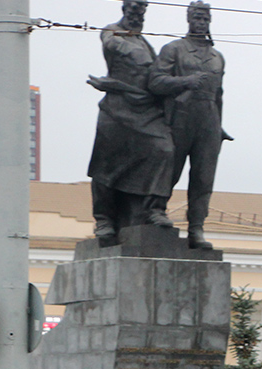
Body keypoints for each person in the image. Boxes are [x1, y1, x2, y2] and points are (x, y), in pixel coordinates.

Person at [87, 0, 176, 245]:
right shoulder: (112, 31)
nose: (138, 14)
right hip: (117, 108)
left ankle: (154, 209)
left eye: (142, 10)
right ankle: (104, 219)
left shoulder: (145, 43)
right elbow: (111, 42)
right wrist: (133, 52)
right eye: (134, 9)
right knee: (106, 166)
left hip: (146, 109)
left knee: (165, 150)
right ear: (125, 9)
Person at [148, 1, 229, 250]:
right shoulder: (174, 49)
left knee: (204, 178)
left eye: (205, 18)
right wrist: (185, 81)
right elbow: (155, 82)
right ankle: (155, 210)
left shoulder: (217, 57)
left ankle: (196, 228)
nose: (201, 22)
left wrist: (219, 126)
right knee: (170, 169)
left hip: (208, 120)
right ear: (189, 19)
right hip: (180, 117)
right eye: (196, 17)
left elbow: (219, 94)